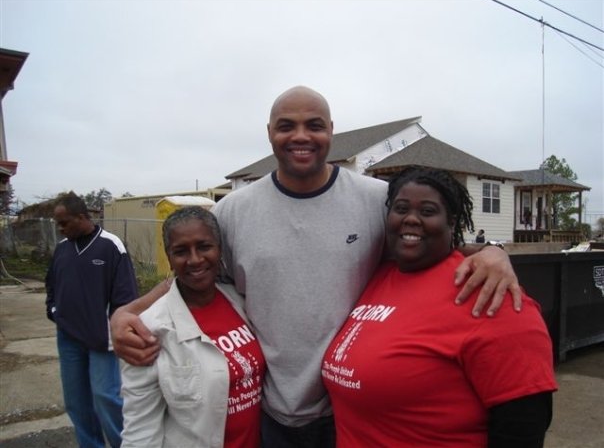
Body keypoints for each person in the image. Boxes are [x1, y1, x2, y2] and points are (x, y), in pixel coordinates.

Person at [111, 86, 522, 447]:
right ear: (270, 133)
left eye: (315, 125)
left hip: (348, 408)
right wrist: (130, 311)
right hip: (270, 411)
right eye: (286, 126)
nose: (301, 136)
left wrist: (492, 252)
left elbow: (425, 241)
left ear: (331, 131)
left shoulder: (375, 198)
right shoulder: (234, 211)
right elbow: (196, 277)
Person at [322, 167, 557, 447]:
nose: (411, 219)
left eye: (428, 211)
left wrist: (494, 251)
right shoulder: (378, 275)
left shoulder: (490, 294)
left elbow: (523, 426)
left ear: (452, 221)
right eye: (401, 208)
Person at [120, 206, 265, 447]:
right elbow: (140, 430)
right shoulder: (149, 330)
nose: (195, 259)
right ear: (168, 257)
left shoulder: (240, 300)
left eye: (204, 246)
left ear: (219, 250)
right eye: (181, 251)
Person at [45, 192, 138, 448]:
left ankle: (126, 444)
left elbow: (127, 297)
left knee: (105, 397)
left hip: (101, 338)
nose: (60, 228)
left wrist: (116, 329)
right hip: (68, 338)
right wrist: (54, 311)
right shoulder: (62, 249)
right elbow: (51, 285)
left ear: (83, 217)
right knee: (76, 401)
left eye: (64, 223)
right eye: (58, 224)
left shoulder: (110, 245)